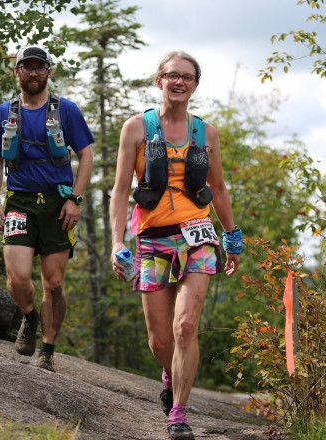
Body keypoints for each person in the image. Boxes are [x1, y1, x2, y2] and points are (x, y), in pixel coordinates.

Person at [109, 50, 243, 439]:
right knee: (160, 340)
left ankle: (179, 415)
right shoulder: (136, 128)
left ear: (195, 85)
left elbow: (217, 189)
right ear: (159, 81)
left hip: (198, 235)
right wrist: (118, 241)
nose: (179, 82)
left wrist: (232, 237)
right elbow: (119, 191)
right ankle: (169, 374)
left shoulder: (206, 132)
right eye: (172, 75)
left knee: (186, 326)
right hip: (152, 238)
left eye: (187, 76)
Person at [0, 46, 94, 373]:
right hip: (19, 200)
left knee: (54, 283)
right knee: (17, 280)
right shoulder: (3, 113)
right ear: (16, 72)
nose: (33, 73)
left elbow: (86, 155)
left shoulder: (67, 111)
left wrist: (76, 199)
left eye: (39, 67)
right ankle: (30, 316)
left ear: (49, 71)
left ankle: (47, 349)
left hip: (58, 203)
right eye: (26, 67)